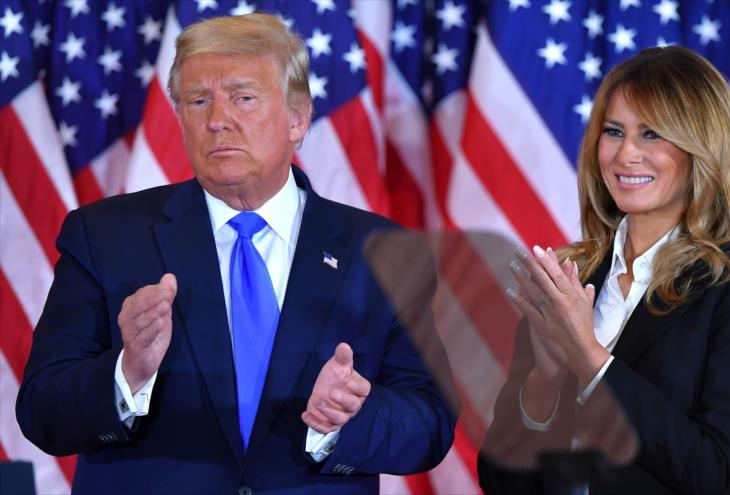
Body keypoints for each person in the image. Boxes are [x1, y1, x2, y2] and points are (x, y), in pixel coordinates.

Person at [16, 13, 454, 494]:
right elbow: (41, 410)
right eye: (198, 100)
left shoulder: (382, 253)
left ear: (298, 118)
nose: (217, 119)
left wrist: (350, 418)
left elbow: (430, 423)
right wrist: (126, 374)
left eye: (243, 98)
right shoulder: (104, 236)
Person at [477, 45, 730, 493]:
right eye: (613, 131)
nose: (626, 154)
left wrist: (590, 358)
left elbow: (708, 469)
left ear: (700, 147)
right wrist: (544, 381)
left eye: (651, 134)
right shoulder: (570, 275)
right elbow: (499, 482)